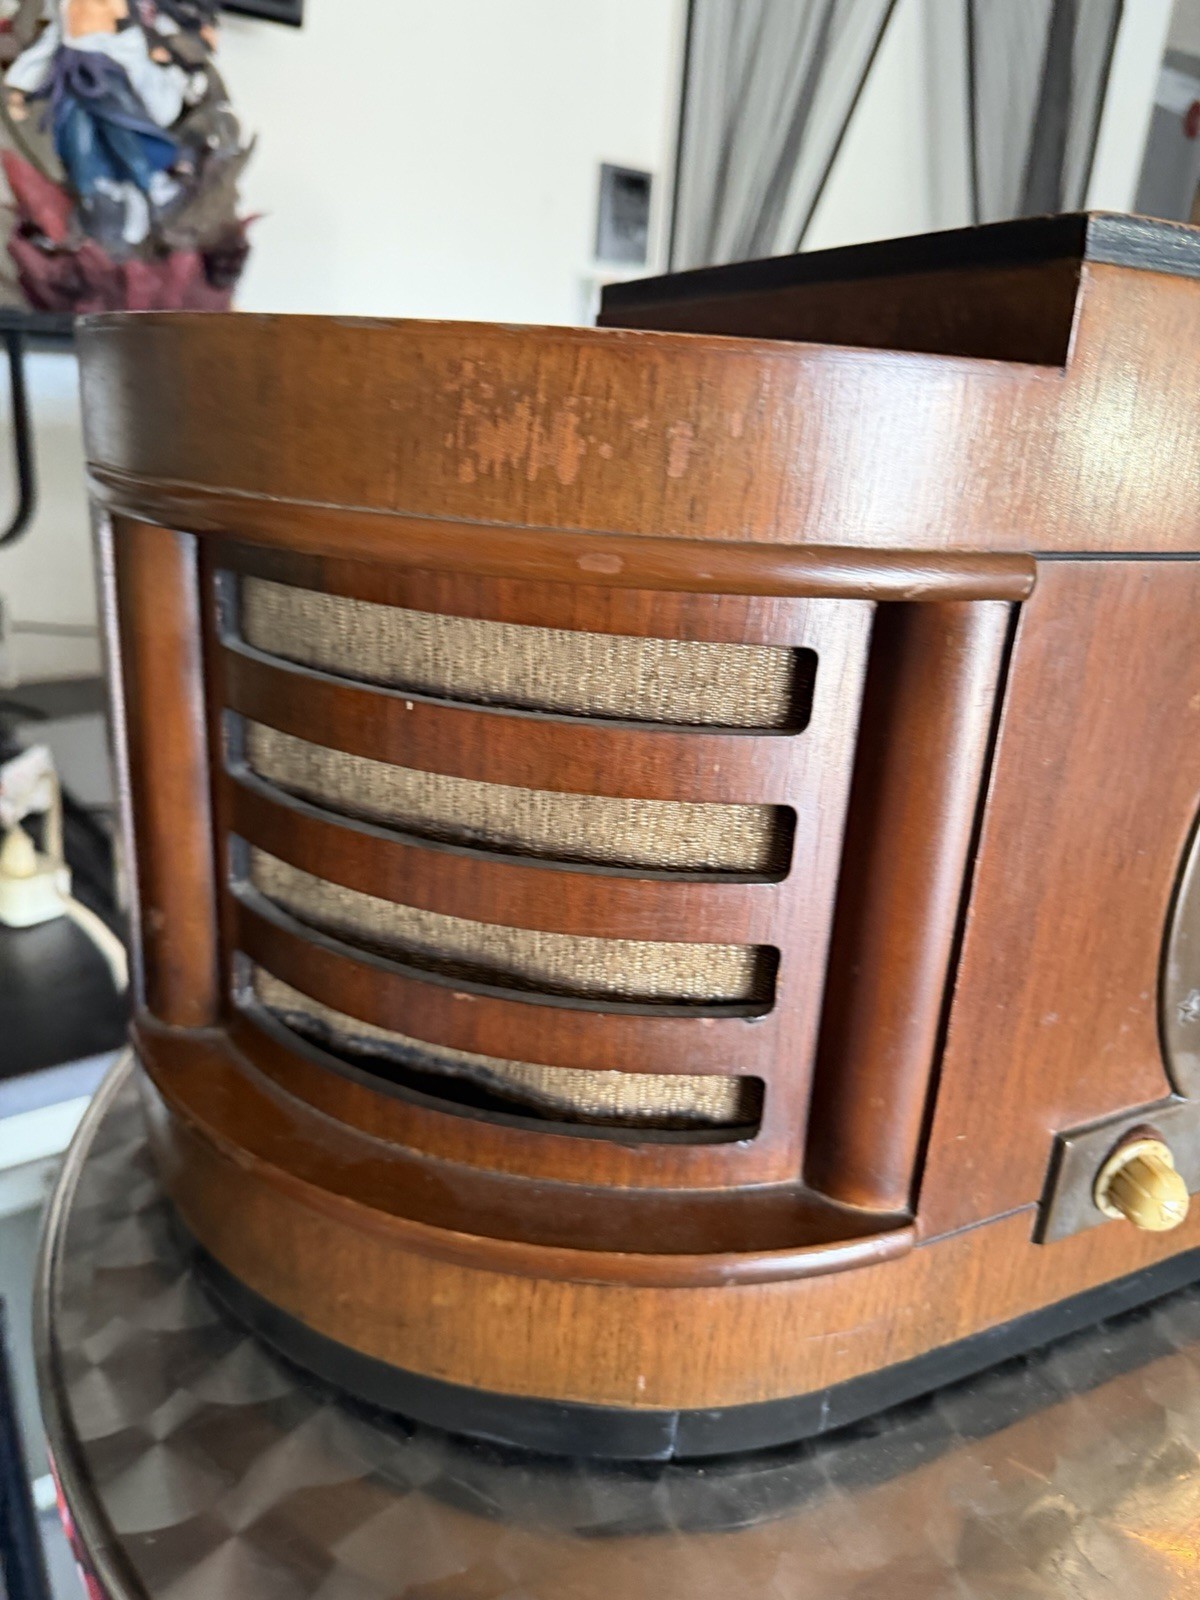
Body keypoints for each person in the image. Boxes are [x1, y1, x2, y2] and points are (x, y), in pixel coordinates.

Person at [5, 0, 188, 246]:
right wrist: (21, 89)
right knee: (79, 146)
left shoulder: (121, 17)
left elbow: (133, 39)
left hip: (109, 82)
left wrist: (158, 64)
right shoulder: (65, 10)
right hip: (73, 84)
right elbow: (49, 45)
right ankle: (90, 210)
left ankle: (148, 191)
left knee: (125, 138)